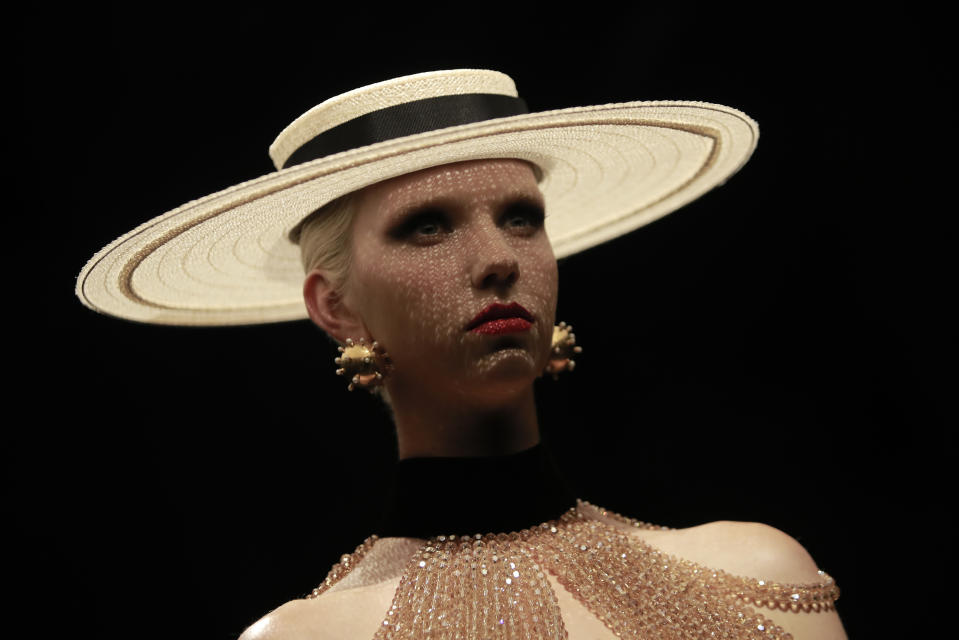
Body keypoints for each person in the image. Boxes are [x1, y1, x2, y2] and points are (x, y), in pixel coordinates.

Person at [77, 69, 845, 639]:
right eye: (426, 226)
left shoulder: (759, 575)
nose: (497, 260)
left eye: (520, 217)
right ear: (334, 305)